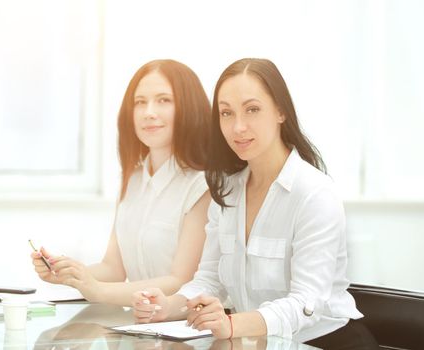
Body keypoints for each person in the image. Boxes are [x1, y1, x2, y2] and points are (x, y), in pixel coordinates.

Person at [132, 58, 378, 349]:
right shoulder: (228, 191)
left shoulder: (314, 193)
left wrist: (232, 324)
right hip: (257, 343)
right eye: (226, 113)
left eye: (252, 109)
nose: (238, 127)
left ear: (281, 111)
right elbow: (210, 279)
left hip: (326, 342)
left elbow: (307, 303)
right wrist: (168, 306)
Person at [31, 59, 212, 306]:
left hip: (185, 328)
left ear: (189, 107)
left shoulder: (202, 185)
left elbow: (181, 280)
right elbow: (114, 268)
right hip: (138, 326)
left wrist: (97, 291)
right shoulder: (133, 179)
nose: (149, 112)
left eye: (163, 100)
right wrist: (68, 274)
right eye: (140, 102)